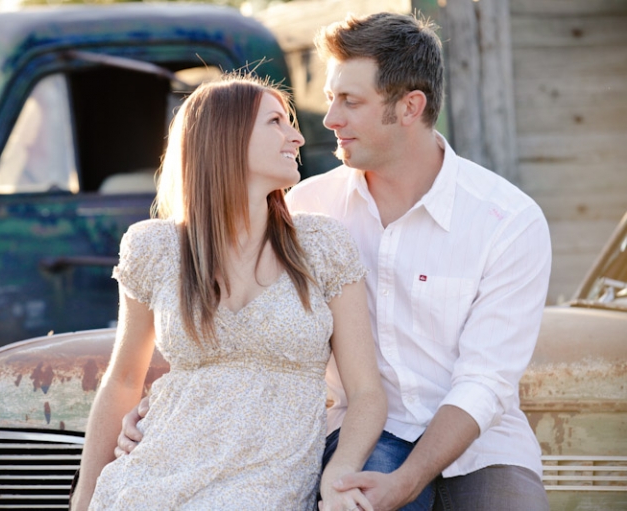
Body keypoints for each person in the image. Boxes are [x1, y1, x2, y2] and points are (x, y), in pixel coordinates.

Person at [117, 12, 552, 511]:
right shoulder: (304, 208)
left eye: (351, 101)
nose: (328, 121)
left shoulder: (507, 221)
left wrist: (409, 481)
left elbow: (485, 384)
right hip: (359, 434)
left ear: (410, 107)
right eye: (329, 99)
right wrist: (160, 411)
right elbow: (223, 320)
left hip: (480, 444)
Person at [70, 75, 387, 510]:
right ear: (226, 138)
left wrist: (338, 473)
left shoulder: (321, 245)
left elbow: (367, 393)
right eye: (276, 122)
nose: (296, 136)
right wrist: (83, 500)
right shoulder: (155, 247)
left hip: (264, 483)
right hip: (154, 472)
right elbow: (123, 379)